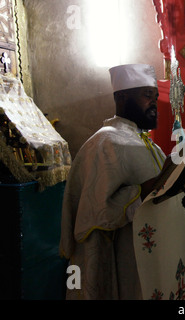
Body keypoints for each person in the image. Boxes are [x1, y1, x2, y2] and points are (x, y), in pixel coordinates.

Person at [59, 64, 168, 300]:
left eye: (156, 96)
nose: (154, 102)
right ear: (121, 97)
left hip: (149, 257)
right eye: (147, 95)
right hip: (122, 259)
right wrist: (141, 192)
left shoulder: (151, 146)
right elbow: (94, 211)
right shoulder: (104, 143)